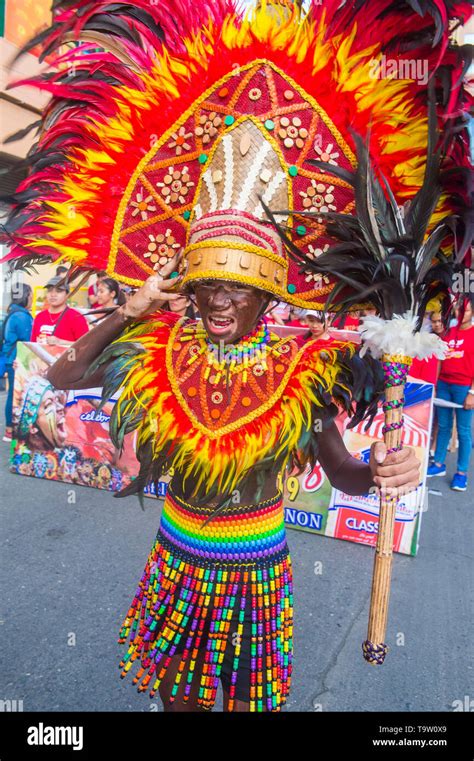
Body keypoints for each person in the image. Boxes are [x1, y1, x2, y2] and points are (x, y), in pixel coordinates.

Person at [2, 0, 464, 715]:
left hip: (256, 573)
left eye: (238, 287)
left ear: (264, 293)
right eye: (208, 285)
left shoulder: (299, 369)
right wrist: (123, 314)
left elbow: (339, 467)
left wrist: (382, 472)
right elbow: (61, 376)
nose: (220, 300)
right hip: (177, 565)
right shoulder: (157, 349)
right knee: (180, 704)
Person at [427, 296, 474, 491]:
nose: (461, 314)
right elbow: (439, 359)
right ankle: (438, 464)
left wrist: (472, 392)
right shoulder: (449, 333)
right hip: (444, 385)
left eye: (466, 310)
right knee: (444, 426)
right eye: (457, 310)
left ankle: (461, 473)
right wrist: (436, 384)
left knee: (463, 431)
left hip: (464, 388)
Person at [1, 283, 34, 441]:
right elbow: (29, 341)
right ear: (26, 296)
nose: (32, 299)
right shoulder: (22, 316)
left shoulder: (12, 312)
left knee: (11, 394)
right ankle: (10, 429)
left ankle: (9, 429)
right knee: (15, 395)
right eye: (31, 295)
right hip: (17, 360)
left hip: (10, 358)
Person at [31, 277, 89, 346]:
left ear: (67, 295)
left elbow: (85, 346)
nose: (53, 294)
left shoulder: (76, 317)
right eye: (49, 290)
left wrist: (61, 342)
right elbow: (33, 344)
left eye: (58, 291)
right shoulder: (39, 317)